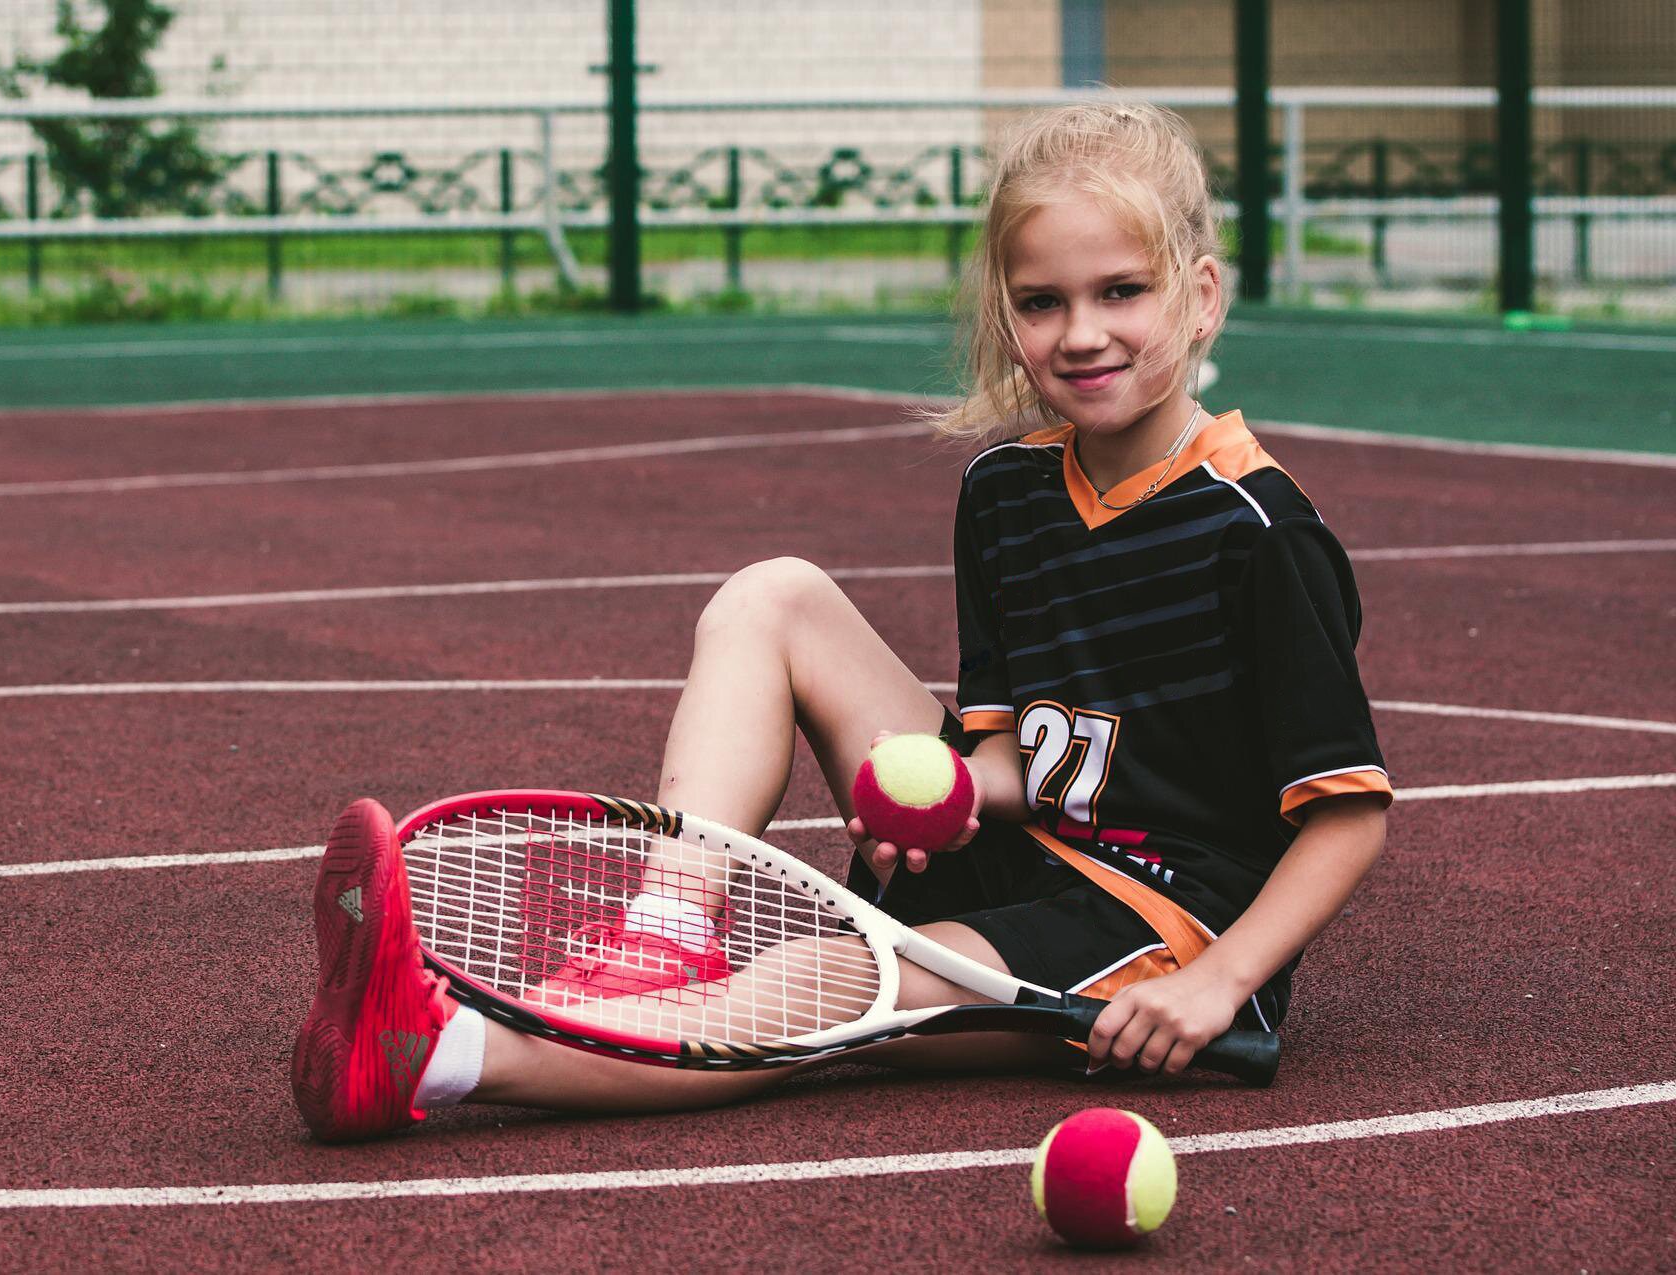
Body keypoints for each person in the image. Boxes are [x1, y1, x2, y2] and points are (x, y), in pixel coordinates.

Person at [290, 102, 1392, 1141]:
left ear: (1202, 296)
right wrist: (947, 790)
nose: (1080, 333)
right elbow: (1021, 752)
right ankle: (662, 935)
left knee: (824, 981)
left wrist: (1219, 983)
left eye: (1121, 292)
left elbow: (1347, 818)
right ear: (1003, 311)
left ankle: (437, 1049)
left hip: (1155, 929)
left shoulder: (1259, 530)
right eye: (1041, 301)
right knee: (777, 594)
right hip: (1033, 849)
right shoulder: (1006, 489)